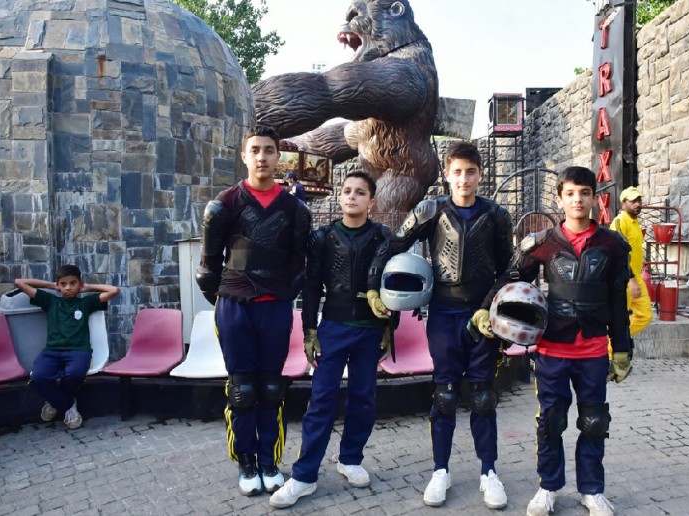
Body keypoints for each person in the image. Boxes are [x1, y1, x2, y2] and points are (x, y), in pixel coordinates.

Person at [367, 141, 514, 510]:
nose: (464, 179)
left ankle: (489, 471)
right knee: (445, 395)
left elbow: (509, 270)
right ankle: (440, 470)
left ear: (480, 174)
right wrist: (372, 285)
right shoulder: (430, 210)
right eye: (457, 172)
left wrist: (489, 308)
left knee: (483, 396)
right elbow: (394, 244)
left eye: (470, 172)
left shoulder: (496, 215)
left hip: (482, 317)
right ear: (446, 174)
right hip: (444, 313)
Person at [483, 166, 631, 516]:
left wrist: (623, 348)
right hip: (552, 349)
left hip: (593, 350)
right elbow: (510, 281)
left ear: (594, 198)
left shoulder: (612, 245)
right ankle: (548, 487)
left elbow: (618, 300)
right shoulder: (542, 243)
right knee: (551, 421)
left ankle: (592, 491)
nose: (578, 200)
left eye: (584, 193)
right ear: (559, 199)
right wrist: (487, 311)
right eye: (570, 193)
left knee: (594, 421)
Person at [196, 126, 312, 497]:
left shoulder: (295, 209)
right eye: (255, 150)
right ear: (244, 156)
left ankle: (269, 460)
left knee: (271, 388)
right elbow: (208, 267)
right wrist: (228, 295)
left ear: (279, 157)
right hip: (234, 307)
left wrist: (281, 295)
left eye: (269, 150)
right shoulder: (225, 203)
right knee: (242, 389)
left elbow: (299, 262)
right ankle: (245, 460)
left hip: (274, 308)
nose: (262, 157)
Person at [270, 171, 396, 508]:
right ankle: (304, 476)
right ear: (340, 198)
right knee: (321, 400)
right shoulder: (323, 237)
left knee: (363, 398)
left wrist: (389, 327)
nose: (352, 196)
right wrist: (309, 330)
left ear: (371, 201)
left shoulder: (382, 236)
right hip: (333, 328)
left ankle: (350, 458)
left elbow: (392, 283)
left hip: (370, 329)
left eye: (360, 192)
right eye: (347, 191)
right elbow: (312, 286)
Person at [14, 265, 120, 430]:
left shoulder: (86, 303)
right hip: (52, 351)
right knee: (38, 378)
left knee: (75, 373)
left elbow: (114, 290)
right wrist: (52, 285)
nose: (68, 287)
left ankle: (55, 401)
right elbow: (19, 282)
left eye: (73, 283)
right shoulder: (50, 301)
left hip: (79, 351)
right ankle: (68, 404)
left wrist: (87, 287)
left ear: (79, 283)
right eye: (64, 284)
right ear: (59, 285)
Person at [610, 186, 653, 346]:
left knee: (645, 316)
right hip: (624, 280)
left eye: (639, 200)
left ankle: (619, 339)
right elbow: (618, 254)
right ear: (623, 203)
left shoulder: (634, 222)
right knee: (619, 320)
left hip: (635, 278)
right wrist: (631, 279)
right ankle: (609, 352)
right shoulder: (620, 221)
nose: (638, 204)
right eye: (633, 201)